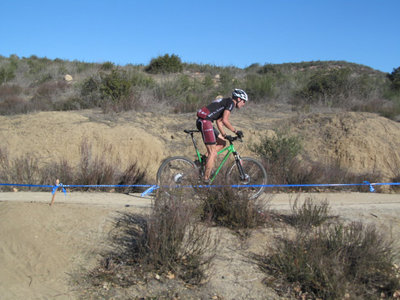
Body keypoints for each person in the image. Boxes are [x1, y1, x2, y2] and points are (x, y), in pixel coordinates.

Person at [196, 88, 248, 182]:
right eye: (244, 101)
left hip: (204, 121)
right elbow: (225, 120)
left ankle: (203, 162)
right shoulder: (231, 103)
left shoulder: (226, 102)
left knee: (222, 143)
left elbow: (219, 122)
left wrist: (225, 135)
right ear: (239, 99)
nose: (244, 104)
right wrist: (236, 131)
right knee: (213, 153)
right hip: (205, 121)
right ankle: (206, 179)